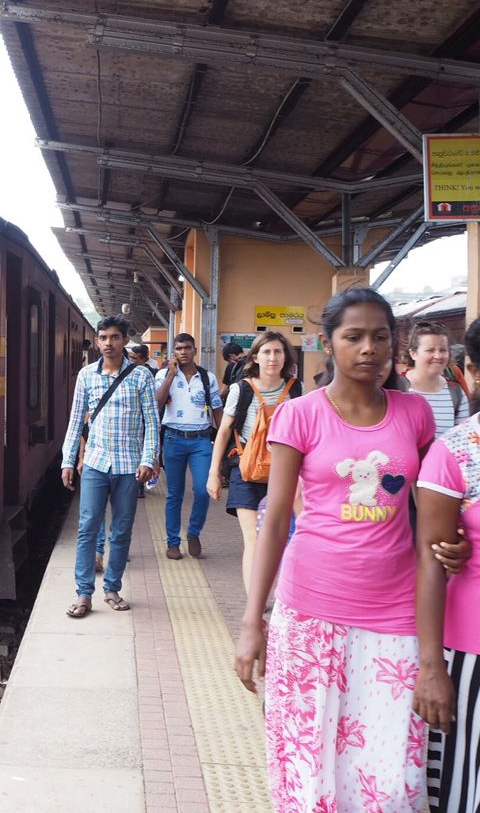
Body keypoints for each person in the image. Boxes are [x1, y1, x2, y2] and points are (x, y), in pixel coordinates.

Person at [235, 287, 439, 810]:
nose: (369, 348)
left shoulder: (415, 413)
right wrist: (252, 620)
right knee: (308, 768)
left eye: (380, 337)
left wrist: (453, 543)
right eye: (354, 337)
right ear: (328, 344)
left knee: (389, 776)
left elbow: (430, 508)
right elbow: (275, 519)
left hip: (394, 613)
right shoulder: (299, 415)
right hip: (308, 614)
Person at [414, 315, 480, 813]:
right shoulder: (455, 450)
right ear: (473, 373)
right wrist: (432, 667)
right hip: (469, 651)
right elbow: (431, 560)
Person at [61, 314, 159, 618]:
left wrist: (148, 459)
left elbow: (152, 423)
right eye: (103, 338)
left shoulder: (141, 376)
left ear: (125, 340)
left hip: (129, 466)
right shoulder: (86, 376)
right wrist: (67, 460)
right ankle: (83, 594)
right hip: (95, 464)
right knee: (87, 527)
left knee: (121, 529)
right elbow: (76, 420)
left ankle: (112, 589)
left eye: (114, 337)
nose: (108, 343)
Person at [207, 331, 301, 589]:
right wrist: (214, 473)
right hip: (246, 469)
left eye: (278, 352)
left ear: (285, 358)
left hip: (285, 473)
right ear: (256, 357)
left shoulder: (296, 390)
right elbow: (224, 431)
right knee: (254, 539)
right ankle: (255, 602)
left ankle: (283, 594)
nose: (272, 357)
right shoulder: (242, 389)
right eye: (267, 352)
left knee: (282, 538)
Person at [154, 333, 222, 559]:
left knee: (203, 491)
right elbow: (157, 403)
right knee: (174, 494)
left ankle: (193, 532)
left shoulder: (207, 377)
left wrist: (222, 440)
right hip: (173, 439)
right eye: (179, 348)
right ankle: (173, 542)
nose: (183, 352)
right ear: (174, 351)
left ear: (195, 350)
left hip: (201, 440)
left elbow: (217, 409)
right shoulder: (164, 374)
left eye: (187, 348)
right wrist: (171, 375)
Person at [407, 321, 469, 438]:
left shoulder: (456, 394)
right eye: (430, 350)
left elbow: (463, 440)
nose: (438, 356)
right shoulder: (396, 389)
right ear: (413, 353)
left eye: (443, 350)